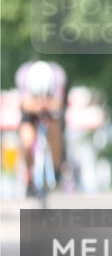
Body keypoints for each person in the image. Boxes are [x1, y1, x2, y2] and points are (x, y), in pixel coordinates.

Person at [15, 60, 67, 194]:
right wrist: (39, 106)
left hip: (50, 115)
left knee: (55, 129)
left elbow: (58, 104)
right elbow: (24, 104)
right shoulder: (23, 76)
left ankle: (56, 168)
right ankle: (29, 172)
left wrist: (44, 106)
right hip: (30, 116)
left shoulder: (57, 77)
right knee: (26, 140)